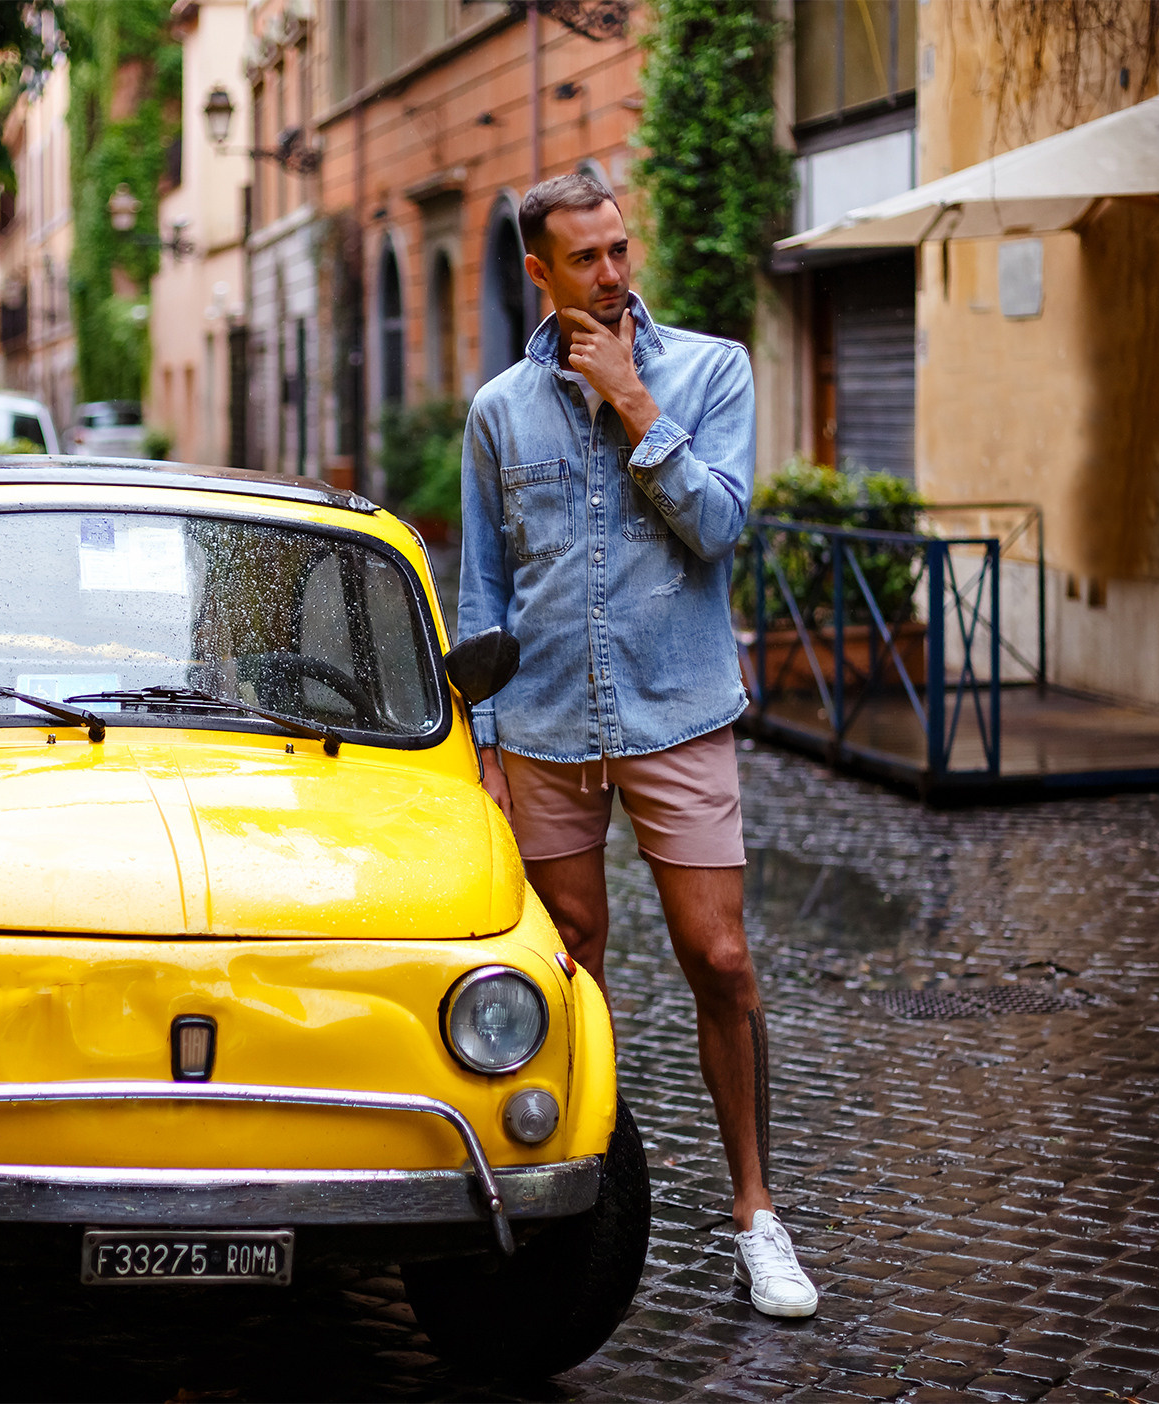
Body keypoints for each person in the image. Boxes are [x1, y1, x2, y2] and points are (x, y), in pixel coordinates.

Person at [456, 172, 818, 1318]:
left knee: (720, 959)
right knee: (570, 963)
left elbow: (718, 527)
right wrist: (482, 752)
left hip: (678, 712)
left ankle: (757, 1211)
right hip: (548, 726)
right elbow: (482, 600)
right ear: (540, 272)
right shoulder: (497, 413)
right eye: (588, 260)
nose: (614, 275)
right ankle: (581, 1207)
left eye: (621, 249)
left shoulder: (709, 372)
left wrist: (631, 401)